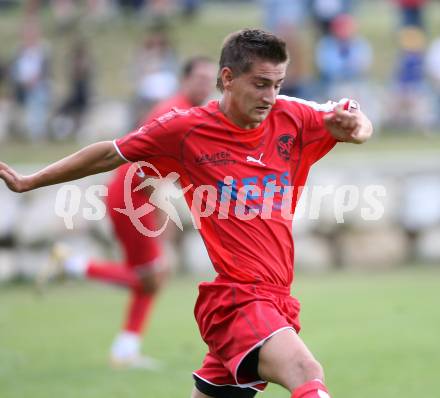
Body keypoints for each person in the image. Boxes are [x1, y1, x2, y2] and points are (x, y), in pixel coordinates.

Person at [0, 29, 373, 398]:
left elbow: (351, 114)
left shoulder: (292, 116)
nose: (269, 96)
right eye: (260, 84)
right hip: (239, 300)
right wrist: (32, 180)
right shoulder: (184, 127)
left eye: (277, 84)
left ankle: (91, 293)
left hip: (276, 298)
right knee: (306, 371)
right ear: (227, 78)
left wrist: (359, 128)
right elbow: (111, 153)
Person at [39, 55, 217, 369]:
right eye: (199, 78)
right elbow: (146, 167)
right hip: (130, 198)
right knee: (151, 277)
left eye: (209, 78)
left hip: (131, 195)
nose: (205, 84)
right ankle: (71, 265)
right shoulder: (173, 111)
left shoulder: (186, 110)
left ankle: (125, 350)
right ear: (184, 80)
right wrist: (158, 214)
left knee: (149, 277)